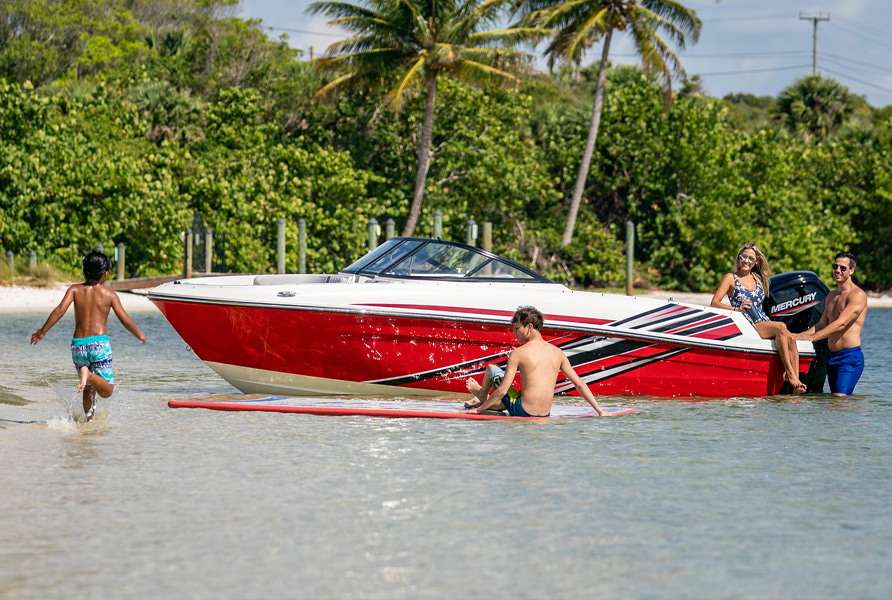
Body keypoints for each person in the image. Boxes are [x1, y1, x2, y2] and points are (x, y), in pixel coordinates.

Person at [30, 250, 146, 420]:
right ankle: (89, 375)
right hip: (99, 345)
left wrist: (42, 332)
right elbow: (125, 320)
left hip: (78, 346)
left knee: (89, 388)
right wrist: (139, 334)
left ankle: (88, 422)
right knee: (107, 391)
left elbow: (60, 310)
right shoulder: (109, 295)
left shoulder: (75, 290)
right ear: (105, 274)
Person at [464, 307, 611, 417]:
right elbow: (579, 383)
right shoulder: (558, 352)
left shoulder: (518, 353)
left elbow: (503, 390)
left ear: (529, 327)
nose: (514, 333)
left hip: (523, 411)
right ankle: (482, 398)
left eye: (516, 328)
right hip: (545, 414)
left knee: (491, 368)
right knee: (508, 399)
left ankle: (481, 395)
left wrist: (478, 411)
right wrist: (599, 410)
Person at [710, 242, 807, 393]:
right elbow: (714, 303)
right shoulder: (730, 278)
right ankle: (789, 374)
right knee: (781, 327)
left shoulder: (758, 279)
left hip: (762, 321)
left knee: (791, 338)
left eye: (750, 258)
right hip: (747, 322)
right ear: (739, 258)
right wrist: (737, 308)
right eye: (743, 257)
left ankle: (796, 385)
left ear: (756, 262)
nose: (746, 261)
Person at [794, 252, 867, 396]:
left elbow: (841, 324)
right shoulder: (831, 296)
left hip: (849, 357)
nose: (838, 270)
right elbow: (821, 325)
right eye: (835, 266)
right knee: (836, 402)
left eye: (843, 268)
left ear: (851, 270)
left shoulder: (857, 295)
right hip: (832, 356)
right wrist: (797, 336)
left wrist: (813, 338)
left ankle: (860, 414)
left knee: (839, 400)